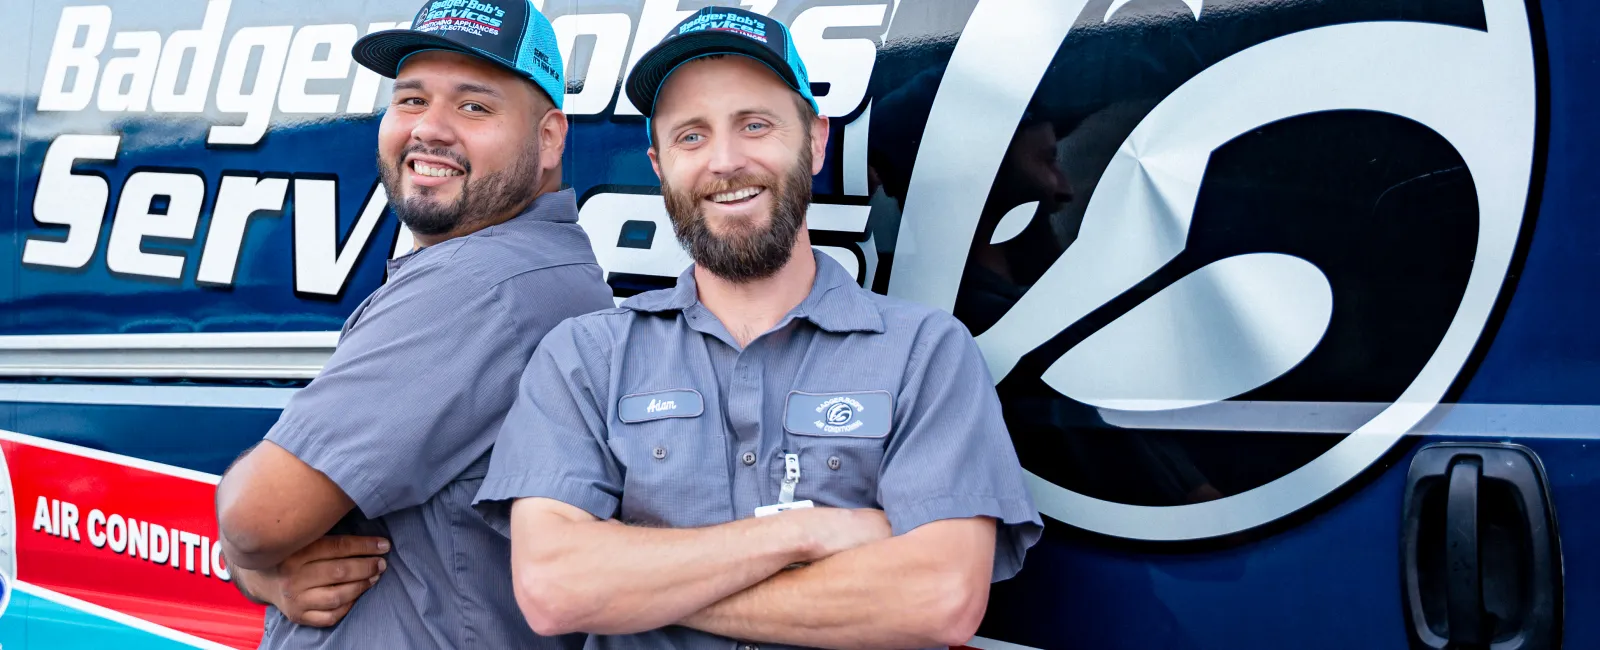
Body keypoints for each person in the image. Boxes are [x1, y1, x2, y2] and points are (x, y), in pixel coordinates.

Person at [472, 7, 1043, 649]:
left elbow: (940, 598)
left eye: (755, 125)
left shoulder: (925, 354)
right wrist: (803, 534)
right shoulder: (585, 358)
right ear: (659, 166)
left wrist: (638, 590)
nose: (724, 161)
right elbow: (555, 588)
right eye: (691, 136)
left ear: (815, 141)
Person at [212, 1, 611, 647]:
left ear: (548, 139)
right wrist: (261, 564)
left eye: (473, 106)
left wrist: (251, 564)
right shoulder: (541, 268)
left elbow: (257, 518)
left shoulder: (474, 286)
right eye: (411, 100)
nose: (429, 129)